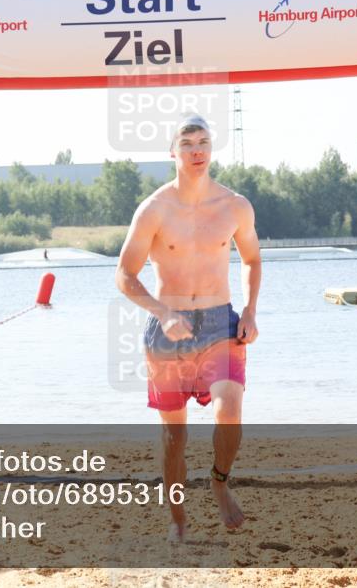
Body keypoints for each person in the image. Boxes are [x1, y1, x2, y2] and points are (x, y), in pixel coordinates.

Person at [115, 114, 261, 543]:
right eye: (188, 143)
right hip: (168, 331)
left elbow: (252, 259)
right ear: (173, 153)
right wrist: (162, 312)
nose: (197, 151)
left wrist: (250, 310)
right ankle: (177, 516)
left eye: (204, 142)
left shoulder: (235, 205)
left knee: (229, 413)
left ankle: (219, 481)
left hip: (221, 322)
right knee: (174, 436)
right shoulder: (155, 209)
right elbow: (124, 275)